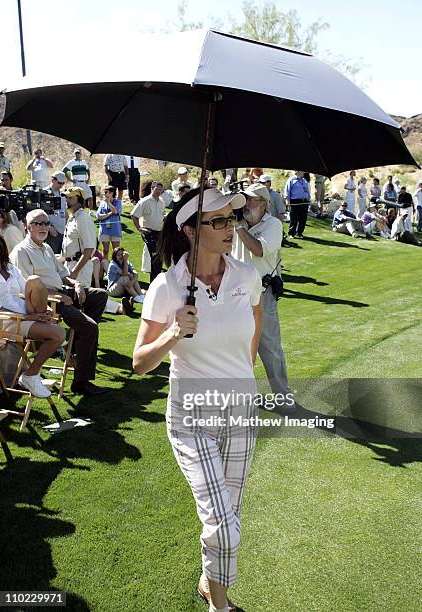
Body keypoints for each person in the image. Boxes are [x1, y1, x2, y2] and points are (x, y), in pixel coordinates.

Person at [133, 187, 262, 612]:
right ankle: (220, 608)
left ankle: (212, 585)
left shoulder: (247, 276)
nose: (231, 229)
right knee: (223, 526)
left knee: (230, 515)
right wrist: (173, 333)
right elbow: (139, 363)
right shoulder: (166, 287)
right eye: (219, 221)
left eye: (233, 219)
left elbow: (253, 333)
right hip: (192, 417)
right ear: (190, 230)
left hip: (241, 411)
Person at [10, 209, 109, 396]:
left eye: (46, 223)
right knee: (90, 328)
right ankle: (81, 382)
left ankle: (74, 345)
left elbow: (64, 274)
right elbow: (25, 288)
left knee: (100, 295)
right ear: (27, 227)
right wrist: (56, 295)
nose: (43, 227)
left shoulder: (46, 248)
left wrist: (77, 283)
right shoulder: (21, 251)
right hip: (49, 302)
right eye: (38, 223)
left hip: (63, 293)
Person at [232, 182, 292, 402]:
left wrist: (239, 229)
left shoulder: (273, 224)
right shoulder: (239, 224)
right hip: (236, 293)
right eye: (244, 200)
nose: (245, 204)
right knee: (238, 345)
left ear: (264, 205)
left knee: (269, 347)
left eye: (250, 200)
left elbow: (258, 249)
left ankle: (283, 397)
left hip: (262, 293)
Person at [0, 234, 65, 398]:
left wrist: (46, 309)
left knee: (34, 280)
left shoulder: (10, 268)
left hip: (25, 311)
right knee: (59, 334)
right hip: (5, 320)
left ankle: (44, 318)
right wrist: (29, 318)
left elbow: (25, 289)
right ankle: (30, 375)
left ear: (0, 247)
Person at [61, 187, 97, 288]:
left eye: (70, 197)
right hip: (69, 265)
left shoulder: (83, 218)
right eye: (66, 197)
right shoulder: (73, 218)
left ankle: (118, 305)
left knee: (82, 299)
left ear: (79, 199)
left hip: (80, 268)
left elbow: (89, 249)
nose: (67, 200)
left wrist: (75, 271)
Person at [131, 181, 165, 282]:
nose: (158, 191)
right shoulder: (144, 201)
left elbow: (161, 215)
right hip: (149, 232)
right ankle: (153, 284)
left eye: (160, 190)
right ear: (152, 189)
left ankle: (156, 283)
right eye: (157, 189)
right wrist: (139, 228)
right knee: (155, 257)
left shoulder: (162, 202)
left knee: (159, 258)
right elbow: (134, 215)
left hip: (159, 232)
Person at [107, 247, 144, 314]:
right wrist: (126, 259)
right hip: (113, 290)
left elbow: (136, 274)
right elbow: (124, 274)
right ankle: (136, 296)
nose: (120, 256)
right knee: (125, 277)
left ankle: (141, 295)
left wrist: (132, 281)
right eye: (118, 255)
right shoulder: (113, 264)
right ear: (114, 256)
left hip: (124, 288)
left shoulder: (127, 262)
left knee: (132, 276)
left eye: (122, 254)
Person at [96, 186, 123, 260]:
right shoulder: (102, 204)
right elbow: (98, 216)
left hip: (115, 230)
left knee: (116, 251)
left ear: (111, 193)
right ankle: (105, 268)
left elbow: (116, 211)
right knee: (105, 250)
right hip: (104, 230)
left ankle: (116, 267)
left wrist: (108, 203)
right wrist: (110, 214)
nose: (104, 194)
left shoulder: (118, 202)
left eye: (106, 192)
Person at [45, 171, 68, 254]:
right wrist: (49, 227)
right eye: (59, 183)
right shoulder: (44, 193)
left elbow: (65, 212)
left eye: (63, 183)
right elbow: (41, 213)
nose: (61, 185)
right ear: (53, 180)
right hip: (51, 232)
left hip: (63, 231)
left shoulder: (63, 195)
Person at [284, 170, 310, 238]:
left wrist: (308, 200)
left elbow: (307, 191)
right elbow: (287, 191)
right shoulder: (291, 180)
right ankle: (291, 233)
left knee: (303, 218)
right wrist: (287, 201)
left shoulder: (304, 181)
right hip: (295, 201)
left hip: (304, 201)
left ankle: (300, 233)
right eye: (302, 171)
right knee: (294, 218)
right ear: (298, 172)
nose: (304, 172)